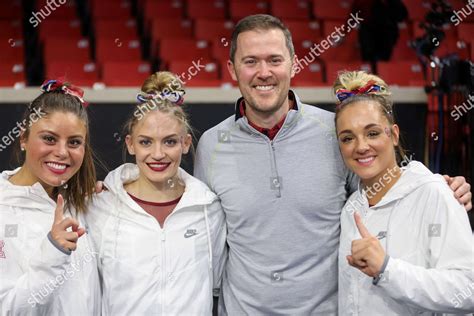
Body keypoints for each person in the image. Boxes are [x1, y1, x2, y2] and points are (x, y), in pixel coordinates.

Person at [193, 14, 472, 314]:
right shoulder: (211, 145)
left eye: (274, 59)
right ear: (232, 69)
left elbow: (383, 187)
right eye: (250, 61)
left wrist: (437, 188)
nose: (264, 72)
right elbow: (204, 236)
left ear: (293, 64)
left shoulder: (336, 133)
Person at [85, 71, 227, 315]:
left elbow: (214, 284)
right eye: (146, 142)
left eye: (170, 142)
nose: (158, 154)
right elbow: (87, 290)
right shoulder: (100, 206)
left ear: (185, 143)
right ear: (130, 144)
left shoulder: (209, 209)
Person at [334, 70, 474, 314]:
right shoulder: (350, 209)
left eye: (373, 133)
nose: (361, 146)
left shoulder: (435, 193)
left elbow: (467, 289)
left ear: (394, 135)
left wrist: (387, 269)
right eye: (348, 138)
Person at [0, 79, 100, 315]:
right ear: (23, 138)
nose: (62, 152)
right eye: (49, 139)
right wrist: (54, 253)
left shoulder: (87, 202)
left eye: (74, 142)